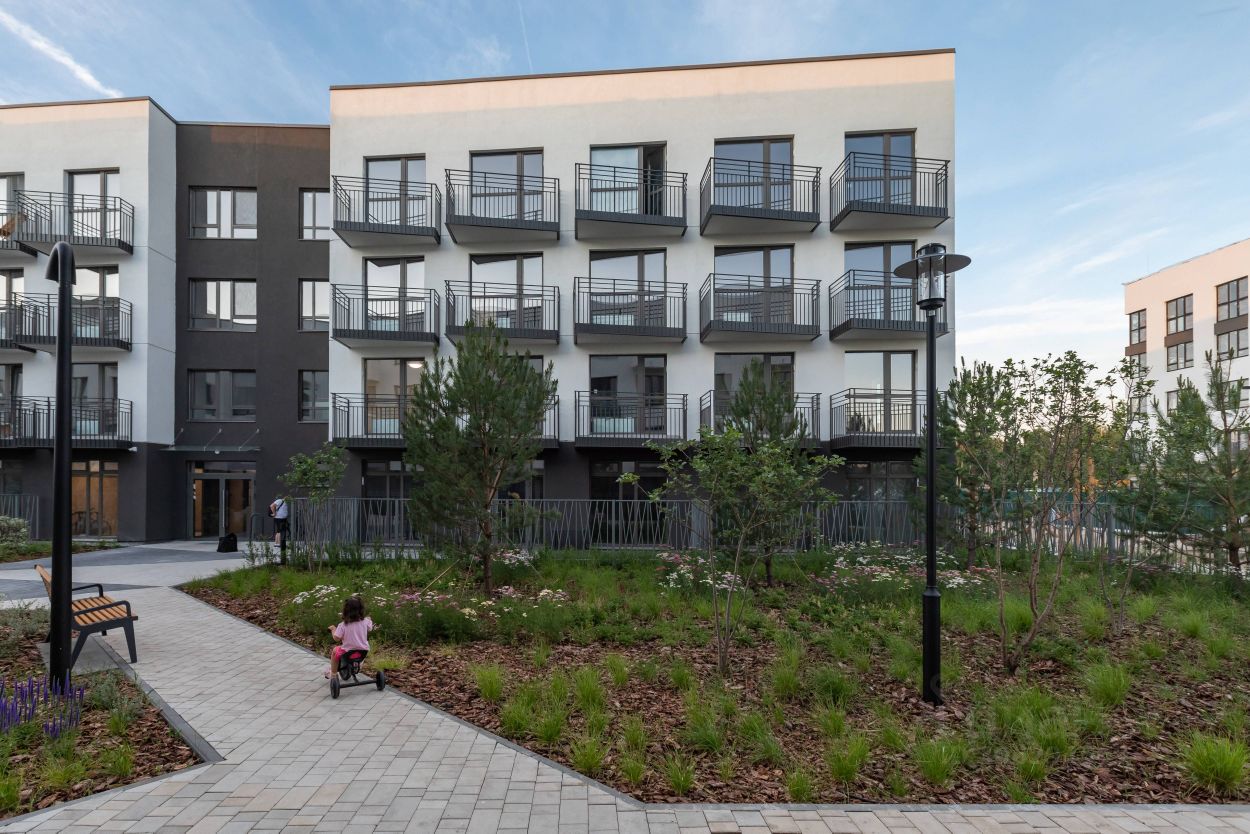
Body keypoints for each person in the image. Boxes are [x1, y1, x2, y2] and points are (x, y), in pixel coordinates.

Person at [326, 595, 374, 679]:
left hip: (347, 651)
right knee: (358, 653)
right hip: (363, 651)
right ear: (361, 610)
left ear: (345, 611)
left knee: (335, 651)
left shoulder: (343, 625)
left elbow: (336, 638)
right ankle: (358, 663)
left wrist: (333, 629)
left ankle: (333, 673)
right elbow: (370, 629)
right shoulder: (366, 621)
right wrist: (369, 619)